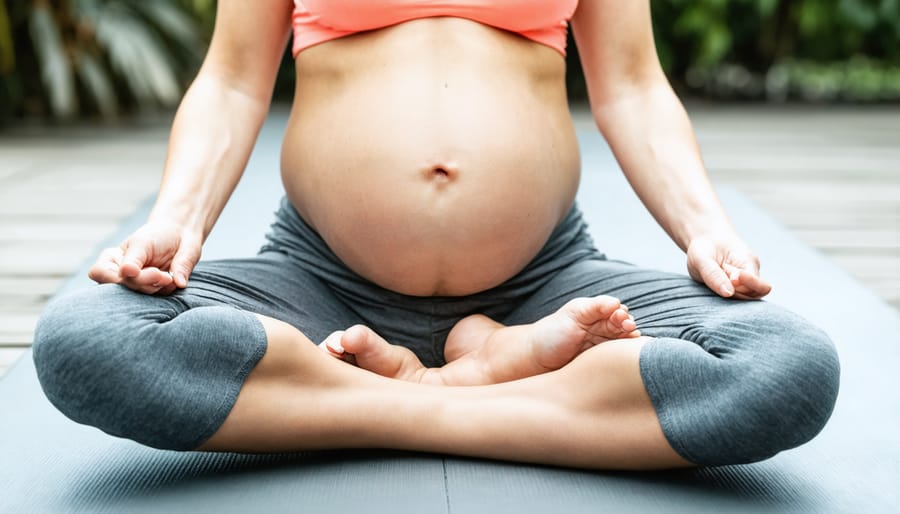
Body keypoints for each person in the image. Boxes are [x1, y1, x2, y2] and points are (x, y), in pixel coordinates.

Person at [32, 0, 839, 469]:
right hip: (319, 280)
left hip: (543, 285)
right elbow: (234, 80)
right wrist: (178, 218)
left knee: (786, 367)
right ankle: (476, 390)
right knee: (87, 341)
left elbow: (630, 85)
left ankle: (363, 402)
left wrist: (706, 230)